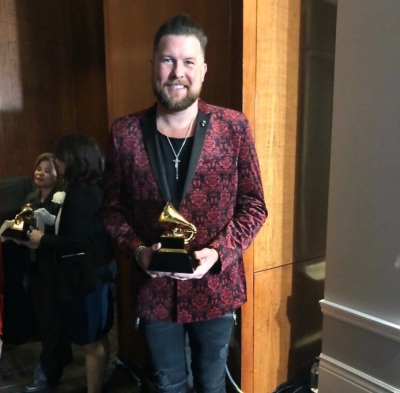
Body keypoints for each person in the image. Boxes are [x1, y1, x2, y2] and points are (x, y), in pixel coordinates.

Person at [101, 14, 267, 393]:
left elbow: (254, 206)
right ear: (153, 66)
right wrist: (140, 251)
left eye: (188, 62)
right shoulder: (124, 132)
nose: (178, 72)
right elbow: (110, 209)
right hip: (154, 292)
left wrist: (218, 253)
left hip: (217, 286)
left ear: (203, 70)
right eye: (167, 60)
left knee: (212, 385)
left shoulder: (233, 127)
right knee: (167, 384)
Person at [28, 134, 116, 393]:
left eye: (59, 157)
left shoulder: (82, 193)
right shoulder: (87, 187)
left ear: (74, 159)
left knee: (91, 342)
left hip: (85, 278)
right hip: (92, 276)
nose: (57, 161)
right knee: (97, 337)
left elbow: (78, 241)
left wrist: (41, 238)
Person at [23, 152, 73, 392]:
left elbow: (64, 236)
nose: (40, 173)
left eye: (46, 170)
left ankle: (47, 374)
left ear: (58, 175)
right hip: (34, 266)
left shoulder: (61, 199)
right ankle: (58, 361)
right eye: (38, 168)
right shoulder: (31, 198)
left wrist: (41, 239)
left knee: (51, 321)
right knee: (44, 319)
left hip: (55, 268)